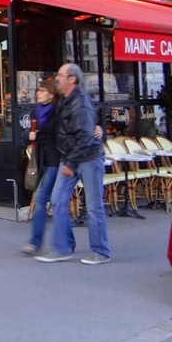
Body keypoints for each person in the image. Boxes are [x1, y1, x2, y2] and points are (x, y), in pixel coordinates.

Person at [35, 63, 111, 265]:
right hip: (69, 157)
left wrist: (70, 162)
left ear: (72, 79)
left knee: (93, 206)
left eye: (60, 75)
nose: (57, 78)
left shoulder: (81, 103)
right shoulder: (64, 99)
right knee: (58, 200)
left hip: (88, 158)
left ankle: (101, 251)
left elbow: (85, 136)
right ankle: (63, 247)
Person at [20, 80, 61, 255]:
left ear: (52, 94)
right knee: (45, 199)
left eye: (42, 90)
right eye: (38, 90)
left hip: (55, 159)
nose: (38, 93)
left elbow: (60, 135)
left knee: (43, 197)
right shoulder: (35, 112)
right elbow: (28, 135)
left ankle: (36, 242)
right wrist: (28, 135)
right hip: (40, 159)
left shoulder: (57, 112)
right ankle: (39, 241)